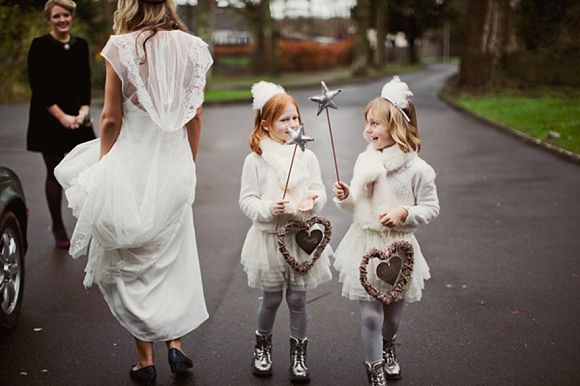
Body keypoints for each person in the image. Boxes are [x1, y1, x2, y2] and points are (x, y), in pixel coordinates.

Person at [54, 0, 213, 384]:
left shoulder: (120, 47)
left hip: (132, 164)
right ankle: (175, 345)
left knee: (129, 260)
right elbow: (196, 116)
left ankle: (146, 361)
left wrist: (105, 164)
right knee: (172, 258)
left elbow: (110, 118)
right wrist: (187, 163)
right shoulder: (193, 47)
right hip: (174, 164)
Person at [332, 76, 440, 386]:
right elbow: (354, 206)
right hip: (366, 244)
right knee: (370, 316)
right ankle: (374, 369)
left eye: (376, 123)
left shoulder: (417, 169)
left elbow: (431, 208)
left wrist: (404, 212)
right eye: (367, 123)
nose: (369, 129)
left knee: (391, 319)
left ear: (398, 126)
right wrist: (345, 197)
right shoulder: (366, 161)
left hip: (400, 248)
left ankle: (388, 345)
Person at [239, 81, 333, 383]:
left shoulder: (306, 155)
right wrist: (268, 208)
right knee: (271, 299)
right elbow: (247, 200)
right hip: (268, 241)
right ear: (266, 124)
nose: (292, 124)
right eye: (284, 119)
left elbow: (318, 189)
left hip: (299, 239)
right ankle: (262, 348)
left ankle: (298, 354)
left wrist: (312, 200)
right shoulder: (255, 160)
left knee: (297, 300)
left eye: (295, 118)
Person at [27, 0, 95, 249]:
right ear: (49, 19)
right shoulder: (39, 46)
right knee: (55, 173)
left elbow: (85, 80)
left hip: (78, 117)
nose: (62, 19)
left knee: (90, 171)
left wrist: (83, 111)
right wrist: (62, 117)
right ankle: (58, 225)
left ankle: (91, 225)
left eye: (66, 15)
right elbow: (39, 87)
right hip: (49, 117)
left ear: (71, 16)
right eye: (57, 16)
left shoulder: (81, 45)